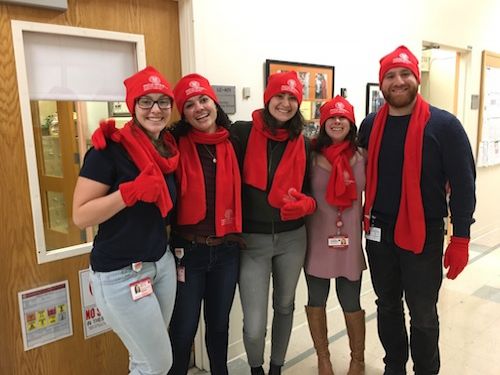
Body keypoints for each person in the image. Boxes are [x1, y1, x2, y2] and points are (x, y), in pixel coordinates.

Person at [358, 45, 476, 375]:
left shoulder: (444, 126)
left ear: (416, 78)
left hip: (424, 232)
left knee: (423, 312)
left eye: (405, 73)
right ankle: (394, 366)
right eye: (390, 76)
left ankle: (425, 370)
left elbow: (464, 185)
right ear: (381, 84)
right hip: (379, 232)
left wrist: (461, 238)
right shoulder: (369, 126)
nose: (398, 81)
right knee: (387, 306)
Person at [72, 66, 179, 374]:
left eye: (163, 101)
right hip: (121, 274)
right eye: (146, 101)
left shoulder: (168, 148)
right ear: (132, 105)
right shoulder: (109, 150)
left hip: (161, 264)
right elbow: (81, 215)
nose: (155, 109)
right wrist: (128, 193)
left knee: (144, 358)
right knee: (159, 363)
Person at [231, 71, 315, 375]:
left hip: (293, 239)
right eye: (280, 96)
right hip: (252, 242)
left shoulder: (304, 144)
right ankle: (256, 369)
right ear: (268, 98)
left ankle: (277, 368)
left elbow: (312, 191)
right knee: (254, 324)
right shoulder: (240, 133)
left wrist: (308, 203)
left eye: (293, 97)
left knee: (285, 306)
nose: (285, 102)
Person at [168, 73, 243, 375]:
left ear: (214, 101)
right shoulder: (173, 143)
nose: (199, 108)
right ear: (182, 113)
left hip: (227, 250)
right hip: (188, 251)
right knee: (183, 329)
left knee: (219, 327)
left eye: (203, 100)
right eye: (189, 104)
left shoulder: (234, 142)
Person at [304, 95, 367, 375]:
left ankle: (357, 359)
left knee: (351, 300)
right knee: (316, 299)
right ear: (323, 123)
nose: (337, 121)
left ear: (351, 123)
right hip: (317, 241)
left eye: (343, 117)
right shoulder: (310, 157)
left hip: (350, 243)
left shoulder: (363, 157)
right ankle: (323, 359)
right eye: (331, 117)